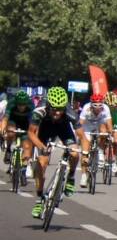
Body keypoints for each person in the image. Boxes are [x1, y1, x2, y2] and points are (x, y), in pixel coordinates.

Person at [28, 87, 89, 218]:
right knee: (42, 163)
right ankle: (39, 199)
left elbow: (83, 137)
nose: (57, 112)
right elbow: (31, 133)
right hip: (45, 130)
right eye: (54, 109)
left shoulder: (69, 112)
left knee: (74, 154)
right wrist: (41, 146)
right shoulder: (39, 111)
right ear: (49, 105)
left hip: (63, 129)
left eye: (60, 109)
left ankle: (71, 177)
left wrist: (85, 154)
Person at [79, 93, 113, 187]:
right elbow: (80, 124)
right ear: (91, 105)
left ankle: (101, 151)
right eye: (95, 105)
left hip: (99, 125)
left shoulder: (106, 109)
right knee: (85, 152)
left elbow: (109, 124)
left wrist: (110, 134)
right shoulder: (86, 108)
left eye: (100, 105)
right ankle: (84, 176)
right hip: (87, 128)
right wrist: (79, 136)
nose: (98, 108)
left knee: (104, 131)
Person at [1, 91, 35, 178]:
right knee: (11, 133)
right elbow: (5, 119)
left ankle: (23, 171)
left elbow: (33, 123)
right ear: (16, 102)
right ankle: (8, 149)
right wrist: (3, 130)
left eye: (23, 104)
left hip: (25, 123)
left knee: (27, 146)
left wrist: (32, 134)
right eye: (19, 104)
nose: (21, 107)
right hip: (13, 120)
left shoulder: (31, 105)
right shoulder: (11, 103)